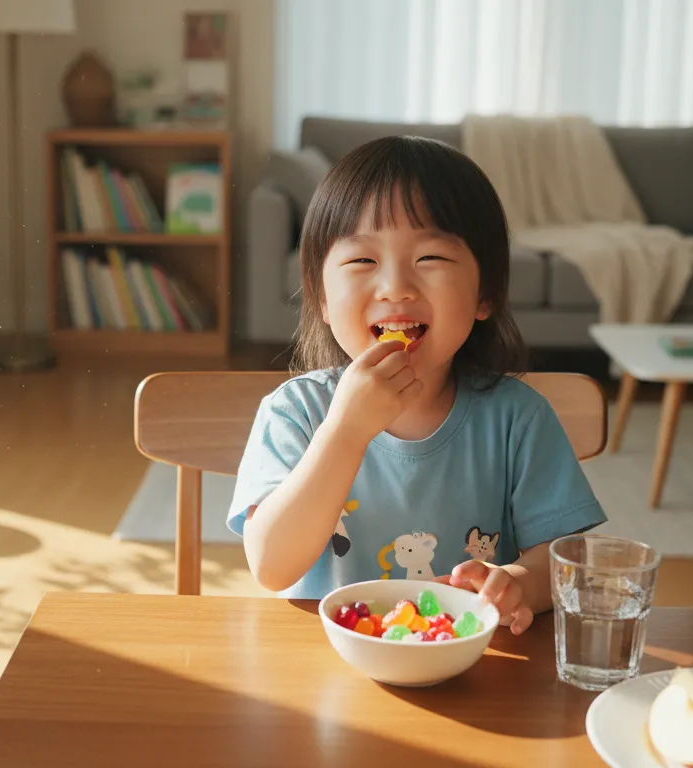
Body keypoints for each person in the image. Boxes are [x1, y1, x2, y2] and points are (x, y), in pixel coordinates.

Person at [227, 135, 605, 635]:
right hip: (326, 666)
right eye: (362, 261)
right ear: (320, 295)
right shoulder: (295, 411)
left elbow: (567, 559)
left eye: (431, 259)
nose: (395, 287)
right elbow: (271, 566)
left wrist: (515, 582)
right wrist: (346, 428)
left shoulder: (517, 418)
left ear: (484, 295)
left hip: (472, 666)